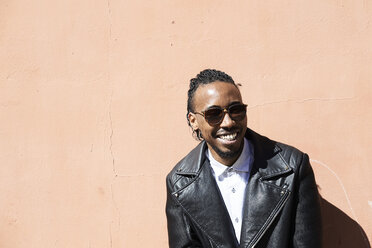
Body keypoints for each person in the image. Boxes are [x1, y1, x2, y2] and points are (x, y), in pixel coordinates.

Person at [165, 69, 322, 248]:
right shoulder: (179, 184)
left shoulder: (293, 167)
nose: (228, 122)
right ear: (193, 121)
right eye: (214, 114)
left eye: (236, 110)